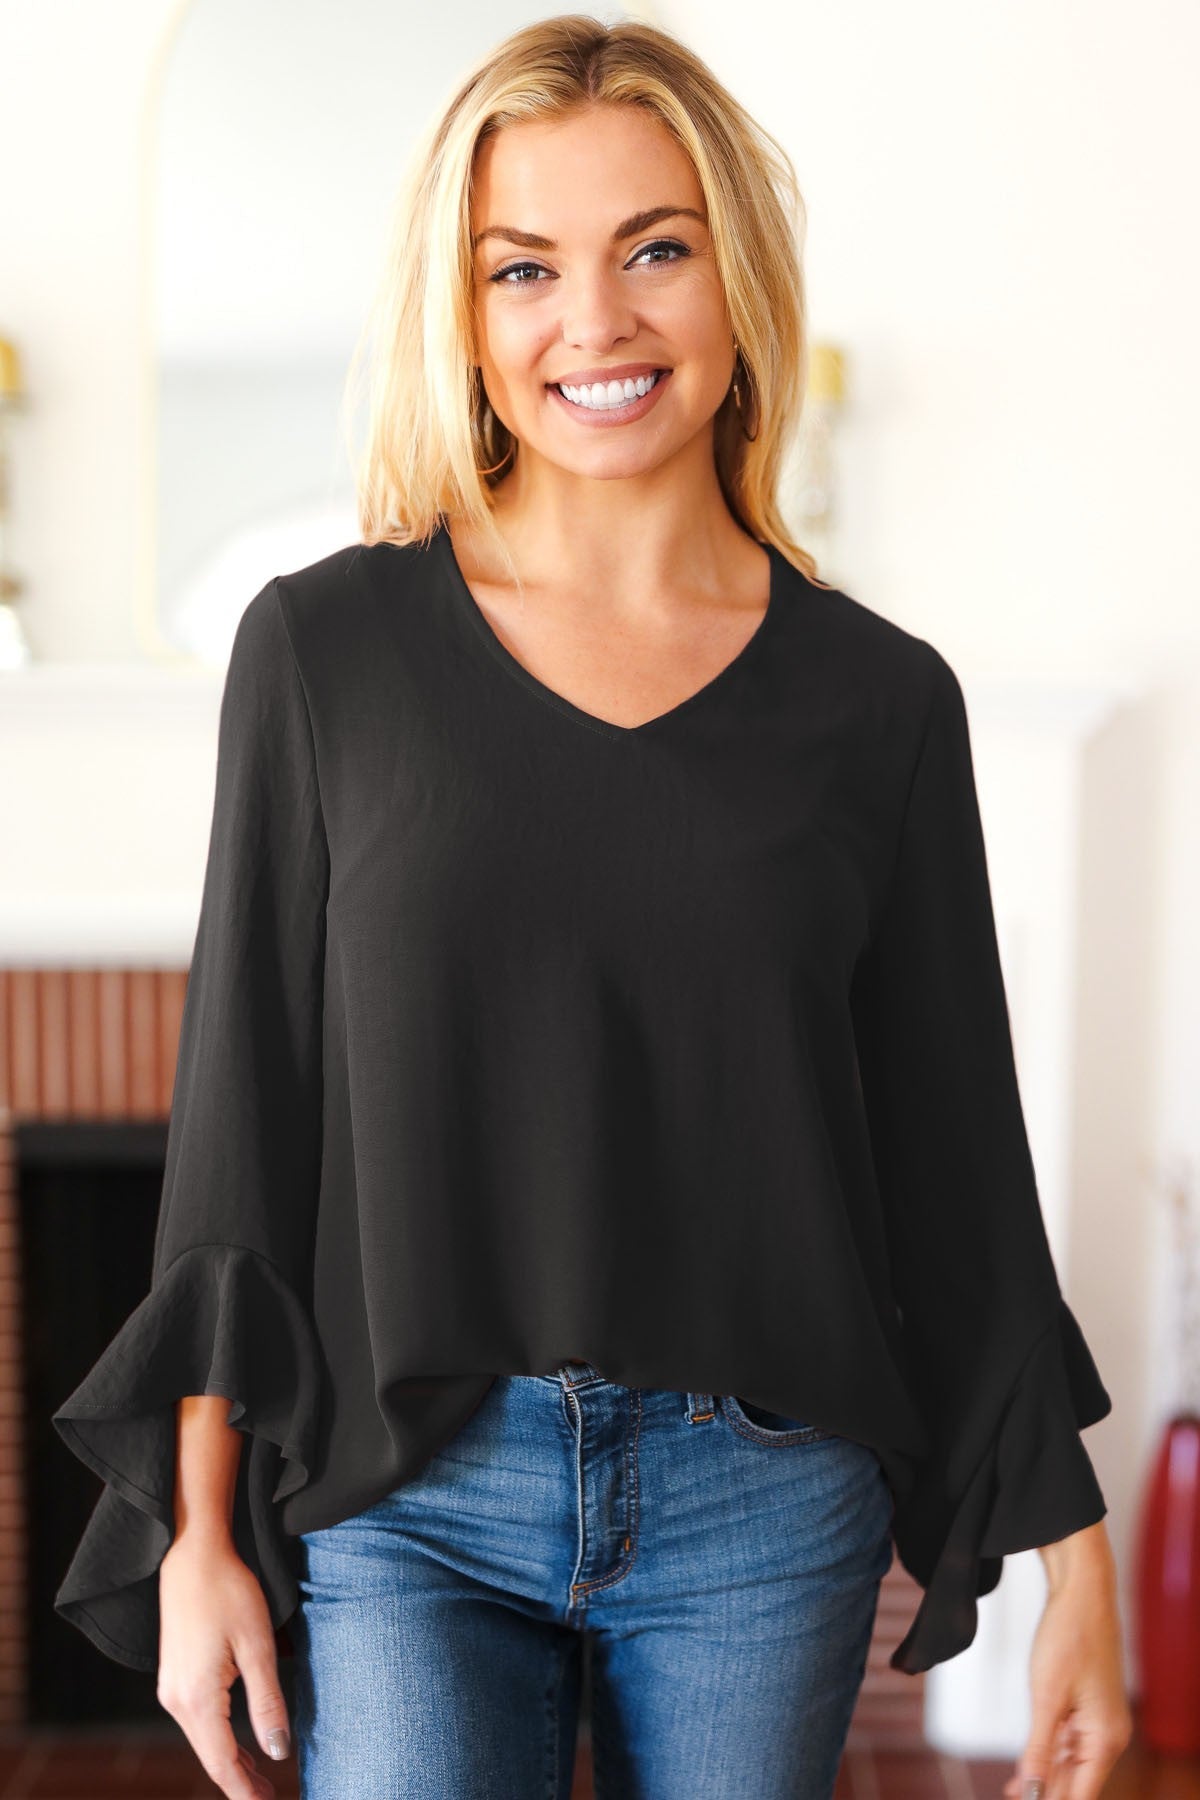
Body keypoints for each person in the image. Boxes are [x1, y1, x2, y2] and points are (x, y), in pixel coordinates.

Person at [51, 14, 1132, 1799]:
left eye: (655, 250)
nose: (595, 321)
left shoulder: (880, 704)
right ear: (466, 317)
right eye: (524, 268)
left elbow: (958, 1169)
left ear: (737, 279)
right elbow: (246, 1119)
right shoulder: (326, 655)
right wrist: (199, 1533)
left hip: (761, 1509)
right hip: (410, 1496)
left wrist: (1082, 1578)